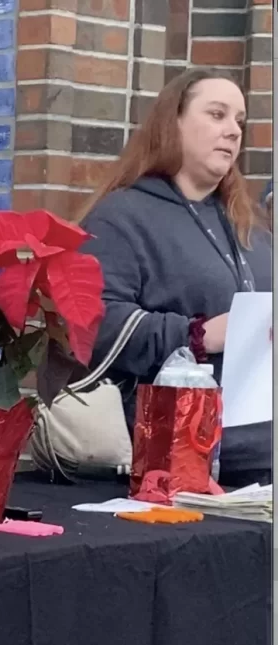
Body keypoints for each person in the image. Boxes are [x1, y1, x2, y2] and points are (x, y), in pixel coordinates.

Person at [78, 68, 272, 488]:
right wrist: (200, 334)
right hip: (174, 465)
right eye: (217, 115)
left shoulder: (252, 225)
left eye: (239, 121)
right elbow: (97, 323)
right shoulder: (122, 216)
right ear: (173, 123)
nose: (233, 131)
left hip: (263, 463)